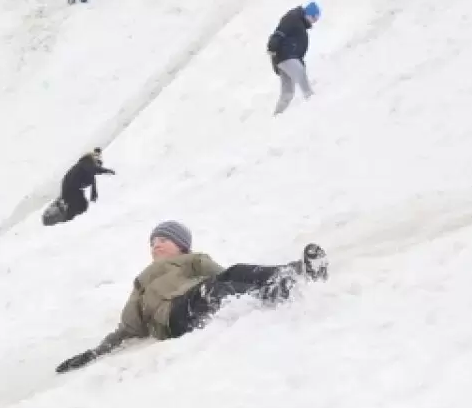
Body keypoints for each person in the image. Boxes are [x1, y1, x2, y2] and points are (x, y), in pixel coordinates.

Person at [55, 222, 328, 373]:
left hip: (197, 296)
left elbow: (223, 273)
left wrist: (233, 279)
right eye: (152, 242)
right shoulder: (140, 285)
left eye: (163, 240)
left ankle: (297, 273)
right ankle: (282, 288)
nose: (156, 245)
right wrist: (93, 353)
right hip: (174, 316)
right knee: (217, 292)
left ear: (181, 246)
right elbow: (127, 329)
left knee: (231, 278)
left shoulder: (190, 261)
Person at [268, 1, 320, 115]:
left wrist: (300, 61)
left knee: (288, 93)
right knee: (301, 73)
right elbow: (281, 31)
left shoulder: (300, 24)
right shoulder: (293, 17)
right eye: (314, 18)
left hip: (286, 58)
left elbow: (297, 49)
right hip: (285, 56)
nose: (314, 22)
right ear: (309, 14)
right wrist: (273, 44)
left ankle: (277, 116)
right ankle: (313, 101)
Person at [44, 148, 116, 225]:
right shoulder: (86, 163)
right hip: (71, 187)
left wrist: (94, 192)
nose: (98, 166)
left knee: (82, 206)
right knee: (79, 206)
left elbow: (93, 175)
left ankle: (61, 207)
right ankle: (55, 212)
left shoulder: (87, 167)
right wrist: (106, 171)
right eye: (98, 164)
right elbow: (93, 169)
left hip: (72, 187)